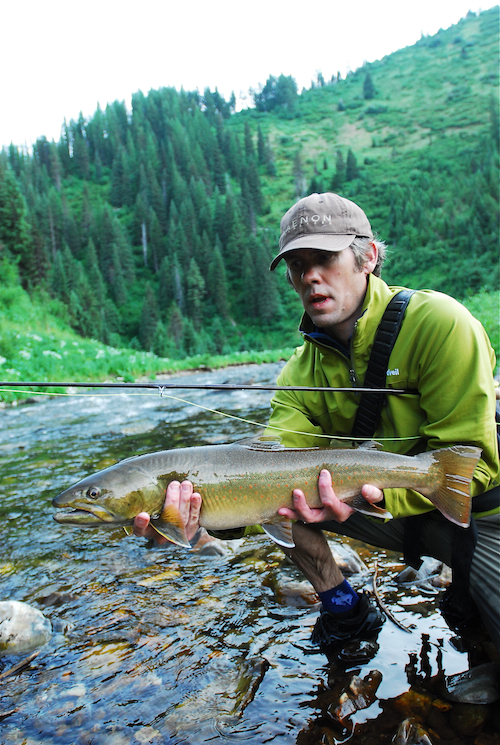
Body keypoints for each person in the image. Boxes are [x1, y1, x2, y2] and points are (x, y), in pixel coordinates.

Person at [133, 192, 500, 655]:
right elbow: (266, 470)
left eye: (325, 258)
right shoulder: (298, 373)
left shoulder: (441, 324)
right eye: (297, 265)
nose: (309, 276)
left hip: (479, 518)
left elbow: (475, 466)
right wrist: (204, 514)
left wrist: (381, 495)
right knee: (285, 499)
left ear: (368, 257)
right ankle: (344, 607)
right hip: (379, 510)